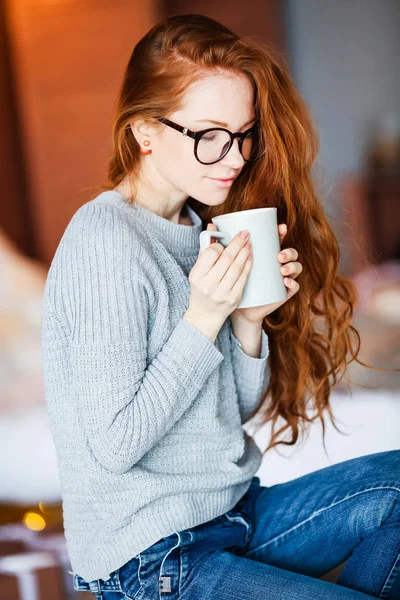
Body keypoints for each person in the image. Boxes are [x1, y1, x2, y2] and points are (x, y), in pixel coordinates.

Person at [41, 13, 400, 600]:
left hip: (230, 512)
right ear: (144, 133)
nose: (233, 156)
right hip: (152, 555)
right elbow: (115, 444)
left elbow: (225, 412)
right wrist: (203, 316)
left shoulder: (194, 227)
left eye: (243, 133)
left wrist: (246, 324)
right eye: (209, 134)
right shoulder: (105, 241)